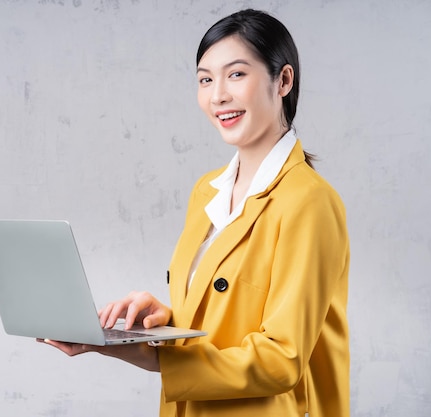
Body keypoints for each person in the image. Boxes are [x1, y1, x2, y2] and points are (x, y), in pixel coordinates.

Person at [40, 8, 350, 417]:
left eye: (236, 74)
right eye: (205, 79)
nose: (217, 95)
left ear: (284, 80)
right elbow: (227, 318)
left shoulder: (309, 201)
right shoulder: (208, 191)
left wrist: (149, 357)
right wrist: (162, 320)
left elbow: (281, 359)